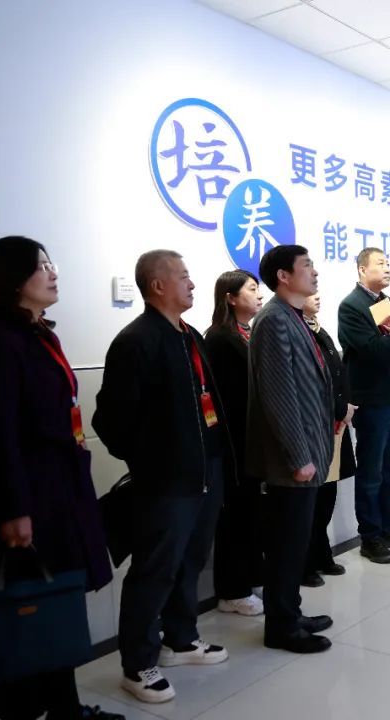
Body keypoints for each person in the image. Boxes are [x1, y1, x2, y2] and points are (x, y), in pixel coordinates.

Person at [0, 237, 121, 720]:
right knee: (23, 608)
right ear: (12, 279)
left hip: (54, 487)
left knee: (51, 601)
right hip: (23, 494)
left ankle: (64, 708)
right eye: (41, 266)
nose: (53, 273)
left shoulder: (34, 333)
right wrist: (15, 509)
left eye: (52, 264)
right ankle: (24, 711)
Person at [93, 250, 231, 704]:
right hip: (166, 482)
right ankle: (137, 664)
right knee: (154, 570)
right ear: (157, 286)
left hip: (205, 471)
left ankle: (181, 640)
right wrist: (150, 464)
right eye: (184, 277)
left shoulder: (189, 335)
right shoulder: (136, 341)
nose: (192, 284)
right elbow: (110, 420)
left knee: (191, 559)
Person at [248, 245, 334, 654]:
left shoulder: (293, 316)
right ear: (283, 276)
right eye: (306, 266)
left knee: (295, 543)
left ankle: (290, 612)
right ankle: (281, 627)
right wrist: (300, 457)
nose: (314, 272)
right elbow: (279, 394)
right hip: (290, 461)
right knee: (285, 545)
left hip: (308, 452)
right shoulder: (273, 321)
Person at [338, 248, 390, 563]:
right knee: (371, 471)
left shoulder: (388, 303)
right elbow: (371, 348)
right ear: (362, 269)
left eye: (389, 263)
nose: (387, 268)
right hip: (372, 400)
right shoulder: (351, 306)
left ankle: (388, 527)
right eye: (381, 264)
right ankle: (370, 536)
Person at [204, 270, 264, 616]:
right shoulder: (219, 339)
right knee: (235, 517)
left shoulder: (249, 333)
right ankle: (231, 590)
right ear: (230, 297)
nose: (259, 295)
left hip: (253, 441)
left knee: (251, 514)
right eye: (251, 289)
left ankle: (249, 579)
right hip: (233, 443)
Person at [299, 291, 356, 588]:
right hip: (316, 424)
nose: (318, 297)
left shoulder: (319, 328)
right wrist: (338, 408)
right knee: (311, 499)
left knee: (327, 494)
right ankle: (305, 563)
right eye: (311, 293)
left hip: (335, 422)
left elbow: (337, 373)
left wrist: (345, 406)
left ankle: (322, 554)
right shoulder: (297, 330)